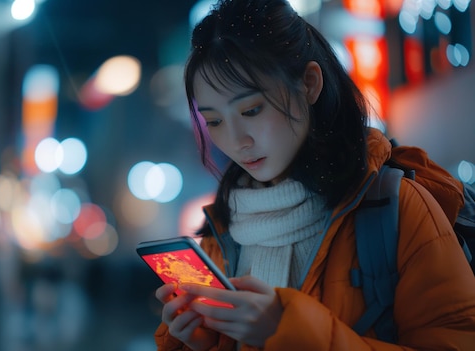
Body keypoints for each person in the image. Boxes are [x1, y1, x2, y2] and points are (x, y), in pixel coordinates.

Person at [152, 0, 475, 350]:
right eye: (214, 121)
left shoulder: (397, 210)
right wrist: (203, 342)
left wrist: (291, 330)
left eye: (251, 109)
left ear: (308, 83)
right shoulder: (224, 230)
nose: (235, 141)